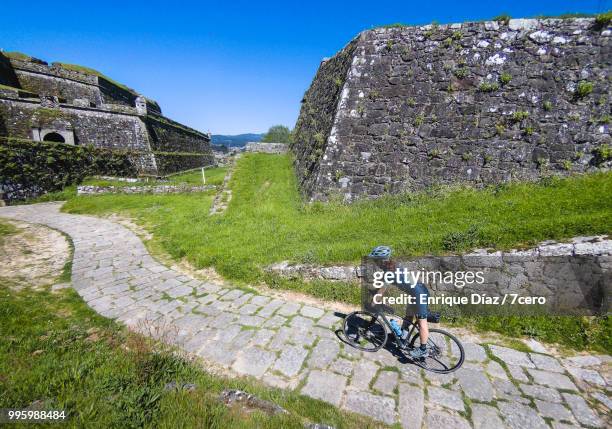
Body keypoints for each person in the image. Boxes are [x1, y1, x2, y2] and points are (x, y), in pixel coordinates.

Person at [368, 246, 430, 359]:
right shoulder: (393, 265)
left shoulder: (390, 271)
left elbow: (382, 290)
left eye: (375, 260)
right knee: (408, 316)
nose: (375, 263)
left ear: (381, 260)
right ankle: (403, 337)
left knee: (421, 322)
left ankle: (423, 350)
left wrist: (373, 302)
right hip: (418, 292)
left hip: (419, 295)